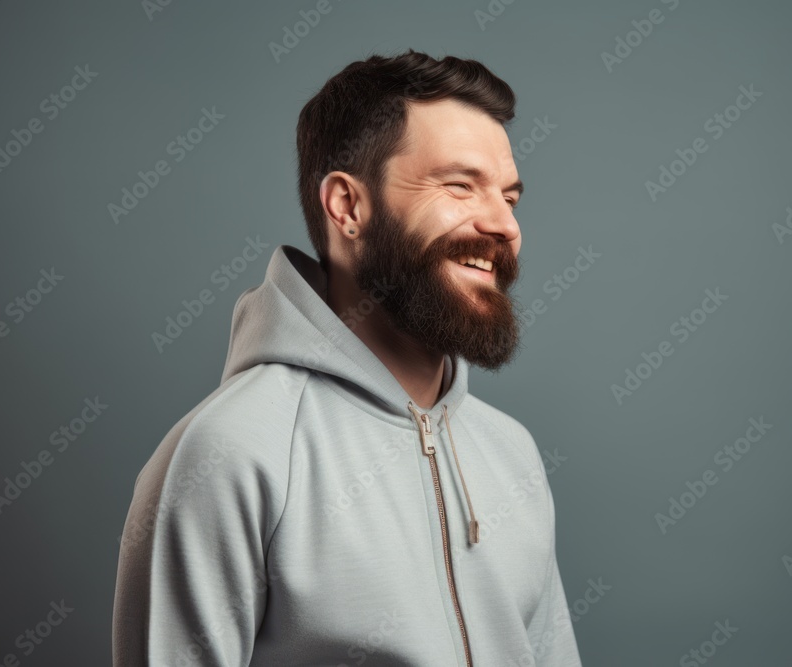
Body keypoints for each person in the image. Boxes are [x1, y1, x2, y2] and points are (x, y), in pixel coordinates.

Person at [111, 48, 582, 666]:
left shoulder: (512, 452)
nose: (504, 225)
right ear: (348, 207)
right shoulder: (230, 452)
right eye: (460, 186)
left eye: (510, 198)